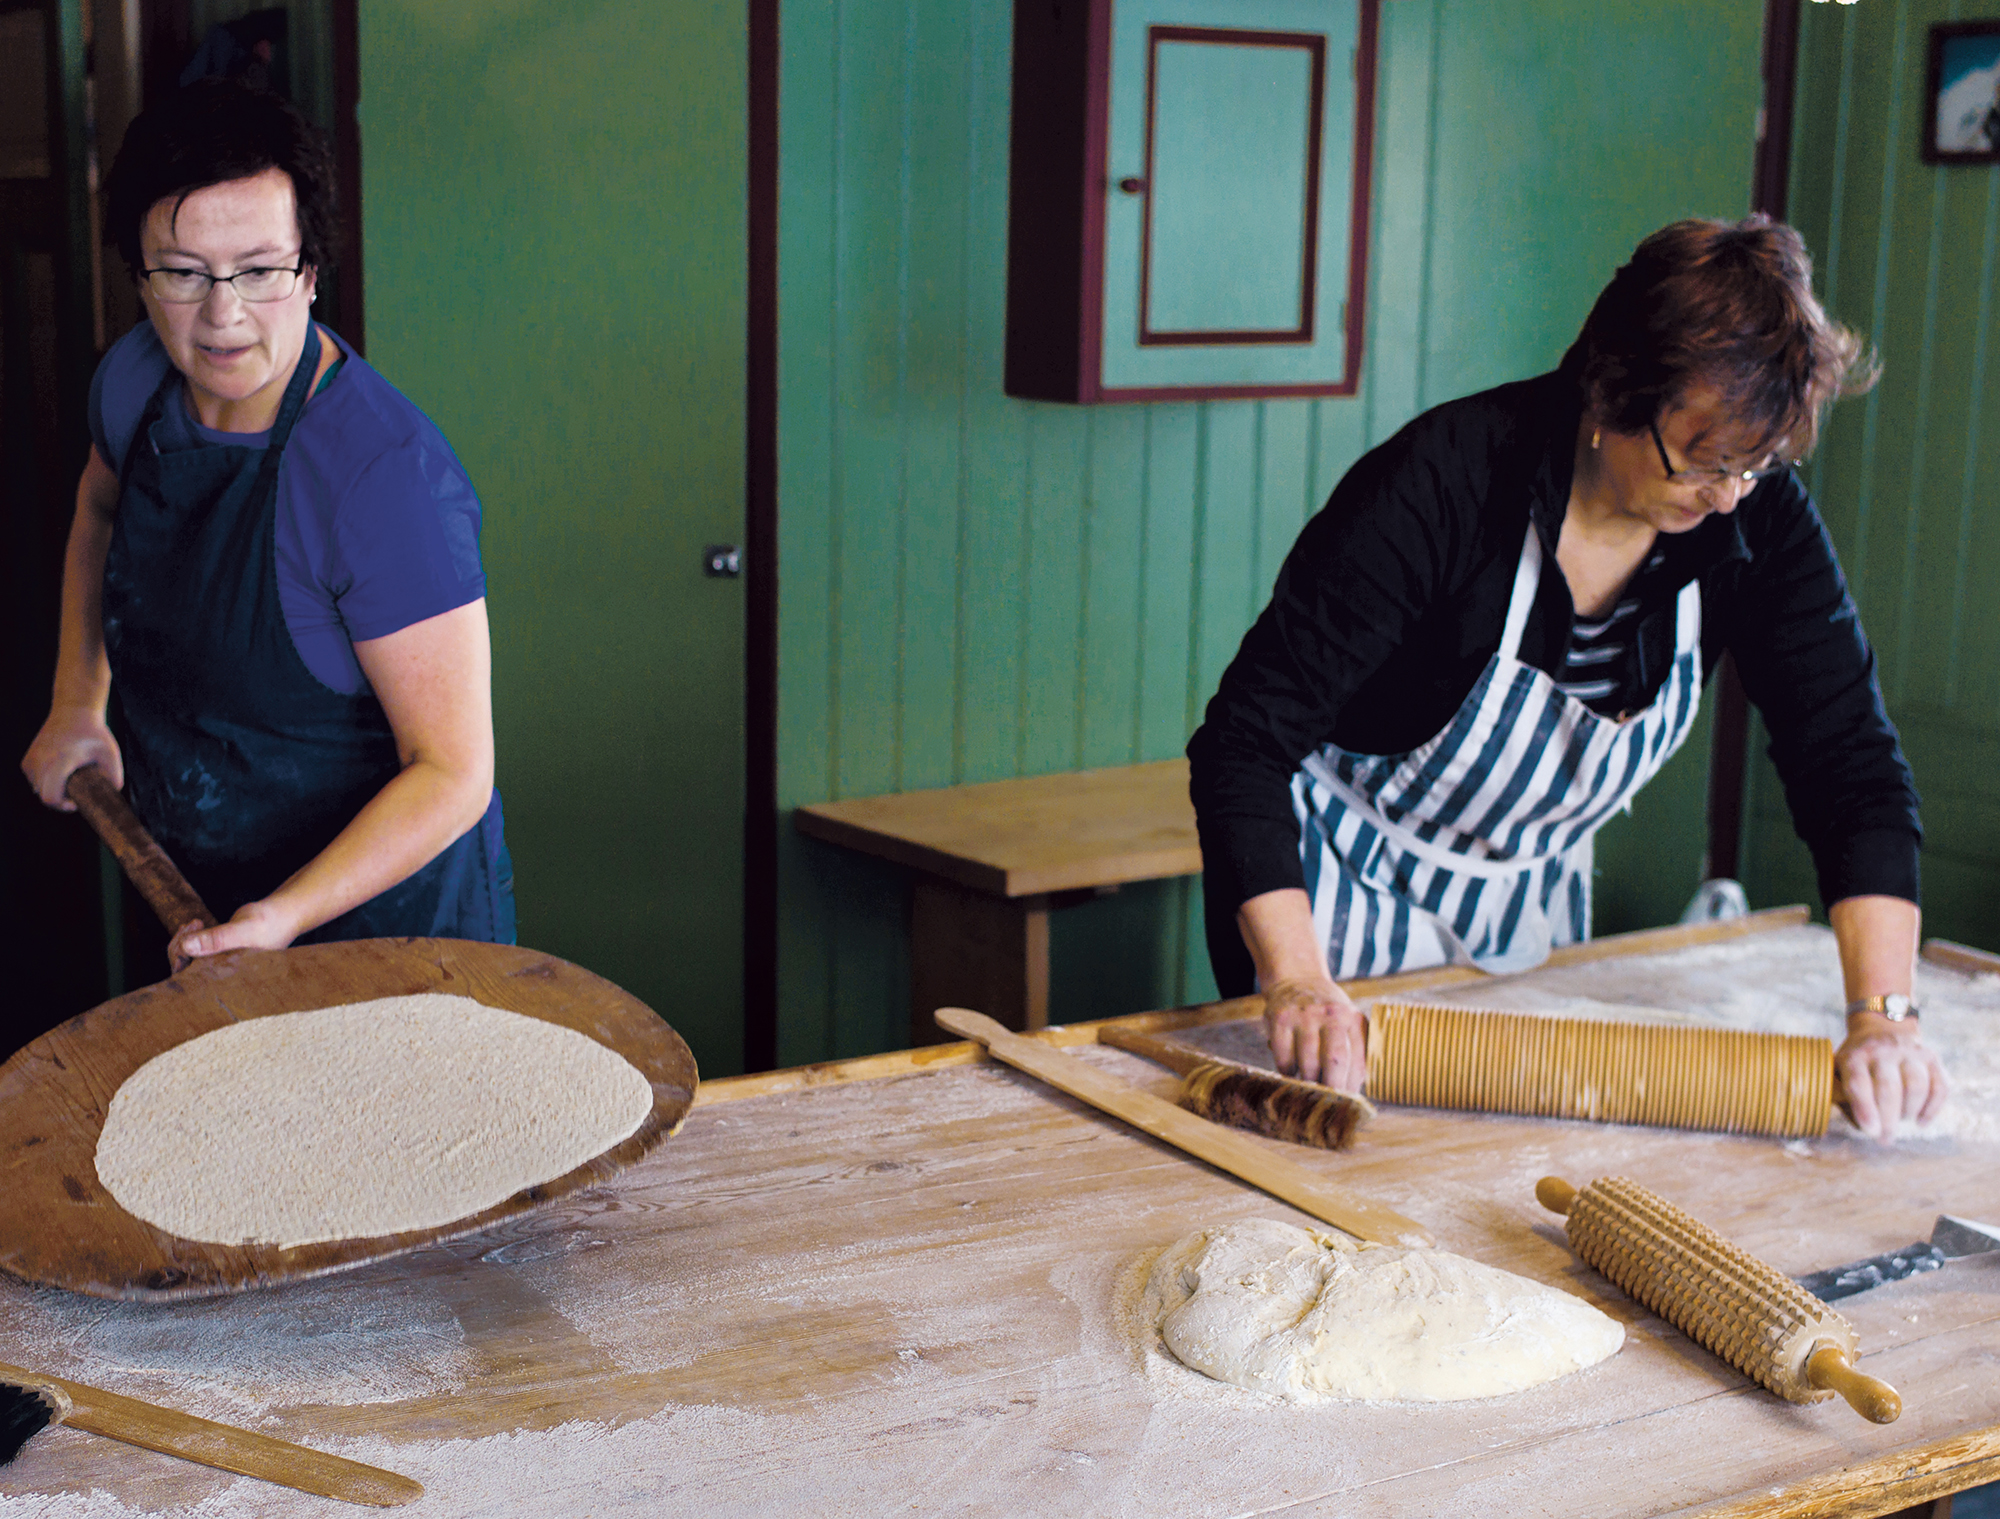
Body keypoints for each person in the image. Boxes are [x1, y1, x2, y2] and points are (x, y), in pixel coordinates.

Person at [1187, 216, 1942, 1142]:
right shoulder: (1447, 482)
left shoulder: (1756, 520)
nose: (1729, 494)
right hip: (1342, 901)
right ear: (1613, 389)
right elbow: (1243, 743)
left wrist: (1882, 1016)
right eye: (1702, 459)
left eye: (1756, 462)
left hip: (1530, 916)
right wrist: (1296, 979)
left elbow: (1851, 769)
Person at [20, 78, 513, 969]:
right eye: (181, 273)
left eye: (259, 269)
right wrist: (74, 703)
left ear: (312, 268)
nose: (223, 315)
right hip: (200, 907)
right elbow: (97, 512)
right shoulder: (133, 386)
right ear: (136, 270)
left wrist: (280, 919)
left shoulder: (384, 478)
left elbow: (453, 773)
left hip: (389, 941)